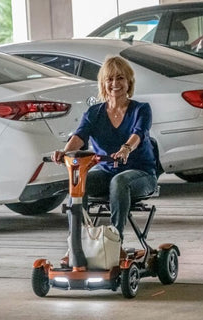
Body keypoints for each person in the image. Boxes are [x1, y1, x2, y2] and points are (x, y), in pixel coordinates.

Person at [52, 55, 157, 241]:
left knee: (119, 181)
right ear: (103, 83)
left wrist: (125, 149)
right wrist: (65, 153)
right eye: (109, 79)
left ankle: (116, 239)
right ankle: (78, 238)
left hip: (141, 174)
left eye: (120, 78)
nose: (115, 83)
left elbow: (138, 134)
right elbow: (80, 135)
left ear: (129, 82)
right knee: (78, 181)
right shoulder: (94, 113)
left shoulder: (141, 109)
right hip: (107, 173)